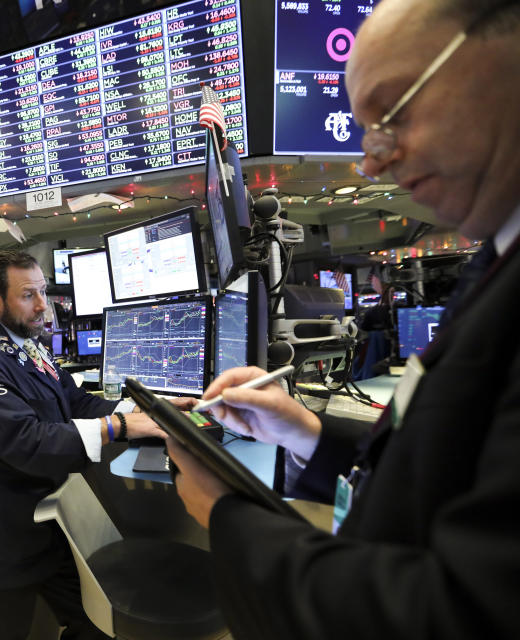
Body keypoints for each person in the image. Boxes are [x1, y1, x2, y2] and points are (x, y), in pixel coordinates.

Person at [167, 0, 520, 638]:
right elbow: (438, 466)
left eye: (390, 112)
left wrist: (231, 519)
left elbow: (465, 613)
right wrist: (305, 430)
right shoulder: (495, 260)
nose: (373, 159)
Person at [0, 249, 194, 640]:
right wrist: (122, 425)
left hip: (48, 525)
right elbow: (27, 442)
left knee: (92, 622)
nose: (43, 305)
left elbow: (76, 401)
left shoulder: (31, 346)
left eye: (43, 292)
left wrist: (151, 409)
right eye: (28, 295)